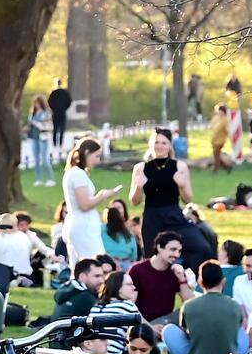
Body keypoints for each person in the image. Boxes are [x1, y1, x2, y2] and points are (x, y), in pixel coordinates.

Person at [128, 129, 209, 267]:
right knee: (153, 258)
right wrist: (139, 187)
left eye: (164, 143)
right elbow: (135, 201)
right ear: (151, 144)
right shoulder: (140, 168)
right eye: (156, 142)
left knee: (202, 247)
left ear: (170, 145)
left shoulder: (179, 166)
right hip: (151, 217)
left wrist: (182, 185)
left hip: (174, 216)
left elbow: (188, 199)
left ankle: (188, 277)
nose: (159, 146)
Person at [178, 260, 245, 354]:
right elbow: (238, 328)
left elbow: (185, 331)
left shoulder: (188, 305)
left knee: (169, 331)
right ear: (223, 281)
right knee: (242, 333)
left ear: (200, 282)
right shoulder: (235, 305)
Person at [61, 138, 117, 259]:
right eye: (96, 156)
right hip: (84, 226)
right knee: (94, 262)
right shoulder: (77, 174)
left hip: (81, 223)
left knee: (82, 264)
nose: (98, 161)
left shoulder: (75, 173)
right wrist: (102, 196)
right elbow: (84, 205)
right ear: (87, 153)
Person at [127, 233, 193, 324]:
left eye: (179, 251)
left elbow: (190, 303)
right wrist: (150, 327)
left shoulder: (175, 271)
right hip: (142, 322)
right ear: (159, 247)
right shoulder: (137, 270)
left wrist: (181, 278)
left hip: (166, 322)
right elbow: (129, 305)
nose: (177, 255)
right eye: (173, 249)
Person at [26, 96, 54, 185]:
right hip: (34, 137)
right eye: (34, 103)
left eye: (37, 103)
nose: (36, 105)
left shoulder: (46, 113)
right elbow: (31, 125)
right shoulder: (33, 113)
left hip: (43, 138)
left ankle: (50, 179)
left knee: (44, 158)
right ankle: (39, 179)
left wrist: (36, 123)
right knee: (36, 159)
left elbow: (48, 126)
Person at [47, 78, 73, 153]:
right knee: (62, 129)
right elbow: (69, 101)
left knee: (55, 128)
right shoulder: (65, 92)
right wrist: (64, 108)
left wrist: (53, 109)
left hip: (55, 113)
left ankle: (55, 143)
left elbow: (49, 102)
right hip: (62, 112)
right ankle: (61, 143)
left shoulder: (53, 93)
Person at [208, 103, 232, 170]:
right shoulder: (215, 118)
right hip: (214, 139)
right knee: (216, 155)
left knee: (216, 153)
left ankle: (215, 169)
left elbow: (227, 130)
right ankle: (226, 167)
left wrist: (230, 137)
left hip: (221, 140)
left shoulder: (225, 120)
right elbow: (211, 126)